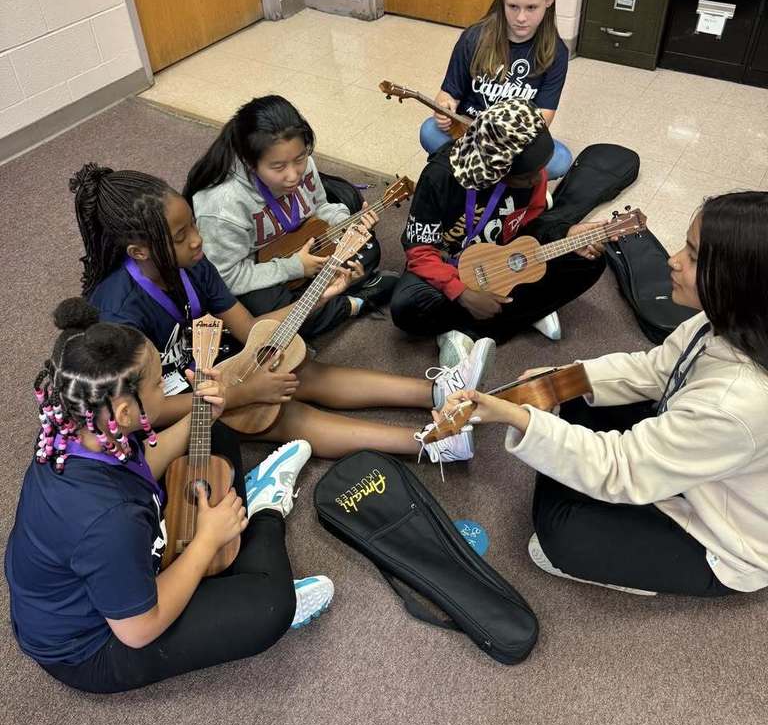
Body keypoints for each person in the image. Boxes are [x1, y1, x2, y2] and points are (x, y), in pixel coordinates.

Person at [439, 191, 768, 598]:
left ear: (740, 279)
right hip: (705, 467)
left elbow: (620, 468)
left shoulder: (736, 404)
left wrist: (519, 419)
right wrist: (563, 378)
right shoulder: (725, 320)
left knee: (560, 533)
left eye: (694, 256)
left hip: (726, 542)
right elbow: (654, 368)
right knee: (573, 392)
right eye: (685, 244)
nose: (673, 259)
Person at [4, 299, 332, 693]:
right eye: (160, 383)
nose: (167, 388)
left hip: (117, 558)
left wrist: (203, 415)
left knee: (213, 433)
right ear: (124, 412)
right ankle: (266, 511)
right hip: (95, 646)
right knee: (271, 607)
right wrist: (208, 538)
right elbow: (139, 630)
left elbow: (139, 464)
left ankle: (231, 536)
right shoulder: (110, 521)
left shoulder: (74, 432)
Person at [70, 163, 495, 464]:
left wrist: (319, 294)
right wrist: (241, 394)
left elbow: (252, 329)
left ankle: (437, 392)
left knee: (295, 367)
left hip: (204, 370)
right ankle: (430, 443)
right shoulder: (118, 316)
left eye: (194, 226)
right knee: (279, 410)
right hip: (157, 406)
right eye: (182, 237)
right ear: (139, 252)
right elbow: (147, 409)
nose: (199, 242)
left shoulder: (191, 264)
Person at [390, 97, 605, 349]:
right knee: (406, 308)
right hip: (452, 264)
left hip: (507, 261)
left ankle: (467, 332)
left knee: (590, 261)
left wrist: (567, 234)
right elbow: (420, 251)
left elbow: (533, 226)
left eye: (540, 169)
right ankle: (523, 312)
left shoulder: (535, 175)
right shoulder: (440, 176)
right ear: (498, 168)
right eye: (527, 175)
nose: (538, 178)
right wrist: (461, 293)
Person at [184, 95, 396, 339]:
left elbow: (319, 207)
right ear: (250, 162)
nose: (293, 175)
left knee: (368, 247)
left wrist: (344, 223)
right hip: (257, 273)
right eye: (278, 167)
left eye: (300, 159)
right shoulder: (222, 206)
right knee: (266, 323)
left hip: (300, 248)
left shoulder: (304, 165)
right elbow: (226, 278)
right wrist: (294, 267)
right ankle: (350, 303)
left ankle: (329, 296)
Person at [419, 0, 572, 180]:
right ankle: (498, 178)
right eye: (513, 6)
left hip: (513, 143)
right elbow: (448, 94)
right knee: (430, 130)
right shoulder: (474, 37)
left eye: (531, 8)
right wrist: (444, 110)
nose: (521, 18)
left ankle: (475, 173)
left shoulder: (556, 52)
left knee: (560, 159)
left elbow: (542, 120)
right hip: (468, 132)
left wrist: (498, 143)